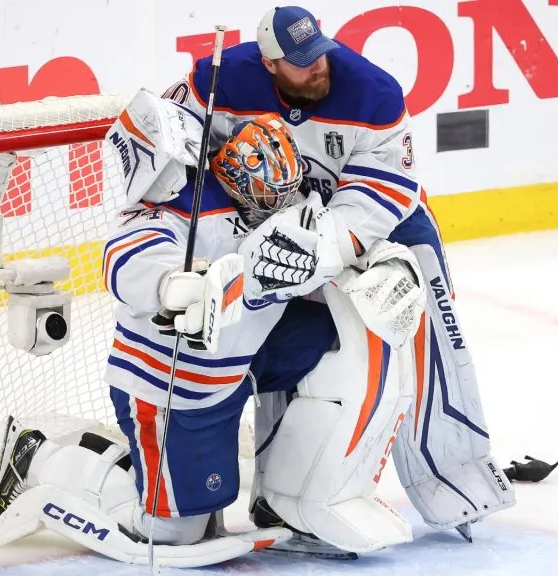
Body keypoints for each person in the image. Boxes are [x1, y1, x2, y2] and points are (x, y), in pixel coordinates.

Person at [0, 92, 425, 565]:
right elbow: (126, 264)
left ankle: (286, 497)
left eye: (285, 189)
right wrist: (179, 284)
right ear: (231, 174)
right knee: (176, 532)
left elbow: (327, 242)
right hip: (174, 384)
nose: (278, 203)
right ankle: (35, 456)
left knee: (339, 335)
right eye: (263, 193)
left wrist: (382, 262)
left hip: (243, 360)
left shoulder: (285, 195)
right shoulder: (169, 211)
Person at [162, 5, 516, 544]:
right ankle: (279, 497)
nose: (318, 69)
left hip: (385, 226)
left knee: (424, 336)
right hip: (281, 225)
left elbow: (384, 191)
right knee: (282, 342)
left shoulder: (372, 92)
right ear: (270, 64)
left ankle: (456, 478)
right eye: (302, 65)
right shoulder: (224, 78)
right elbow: (175, 133)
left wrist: (323, 245)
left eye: (318, 55)